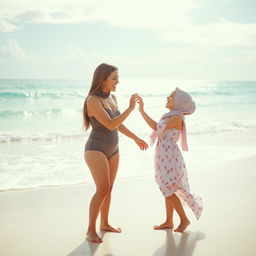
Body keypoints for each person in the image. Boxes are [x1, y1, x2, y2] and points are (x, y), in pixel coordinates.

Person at [83, 63, 148, 243]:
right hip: (96, 149)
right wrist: (129, 109)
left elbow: (118, 124)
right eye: (114, 78)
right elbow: (110, 124)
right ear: (102, 79)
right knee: (102, 188)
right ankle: (90, 229)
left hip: (114, 149)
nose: (118, 82)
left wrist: (135, 137)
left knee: (109, 188)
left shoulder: (113, 97)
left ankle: (104, 223)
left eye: (118, 78)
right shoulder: (92, 100)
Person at [137, 87, 202, 233]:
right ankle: (168, 221)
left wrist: (142, 111)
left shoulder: (176, 118)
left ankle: (184, 219)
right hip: (164, 154)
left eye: (171, 96)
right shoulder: (171, 115)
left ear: (179, 103)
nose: (167, 97)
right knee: (167, 188)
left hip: (169, 156)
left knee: (167, 187)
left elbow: (156, 127)